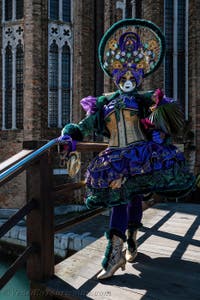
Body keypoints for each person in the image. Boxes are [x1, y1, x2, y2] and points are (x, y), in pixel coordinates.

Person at [59, 19, 195, 280]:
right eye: (124, 76)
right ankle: (119, 250)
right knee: (121, 198)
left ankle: (126, 242)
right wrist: (69, 134)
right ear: (116, 77)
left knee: (130, 197)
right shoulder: (104, 104)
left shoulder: (144, 99)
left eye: (134, 76)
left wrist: (159, 115)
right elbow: (85, 125)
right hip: (113, 159)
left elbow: (165, 119)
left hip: (140, 155)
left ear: (139, 76)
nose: (129, 79)